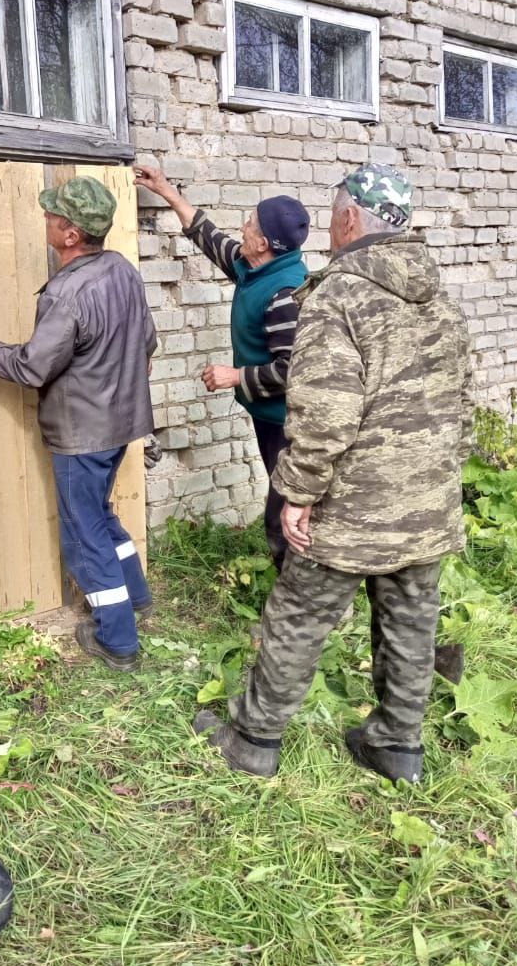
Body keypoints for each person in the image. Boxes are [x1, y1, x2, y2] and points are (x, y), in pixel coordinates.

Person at [193, 164, 473, 785]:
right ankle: (398, 747)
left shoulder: (337, 298)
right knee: (410, 620)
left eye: (333, 215)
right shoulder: (442, 301)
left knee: (298, 614)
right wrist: (436, 483)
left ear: (348, 220)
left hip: (351, 510)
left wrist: (296, 494)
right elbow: (462, 410)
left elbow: (325, 416)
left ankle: (254, 739)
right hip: (426, 506)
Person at [0, 176, 157, 672]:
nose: (46, 219)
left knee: (83, 532)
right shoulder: (123, 271)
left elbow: (32, 367)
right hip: (122, 422)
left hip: (80, 436)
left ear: (71, 235)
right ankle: (134, 597)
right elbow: (147, 342)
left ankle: (118, 642)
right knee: (101, 514)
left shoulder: (67, 293)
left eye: (53, 216)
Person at [134, 165, 309, 572]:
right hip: (268, 417)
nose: (243, 228)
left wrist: (235, 377)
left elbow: (294, 369)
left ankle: (300, 607)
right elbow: (216, 243)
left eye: (249, 225)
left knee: (284, 513)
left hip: (290, 423)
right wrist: (167, 192)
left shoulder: (285, 293)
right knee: (285, 504)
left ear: (264, 242)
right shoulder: (259, 268)